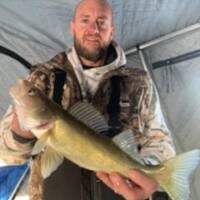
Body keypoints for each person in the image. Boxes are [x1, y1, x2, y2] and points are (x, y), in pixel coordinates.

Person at [0, 0, 176, 199]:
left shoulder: (141, 83)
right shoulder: (41, 77)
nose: (93, 29)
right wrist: (19, 134)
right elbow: (6, 156)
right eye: (85, 20)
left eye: (102, 22)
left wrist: (149, 178)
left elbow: (161, 146)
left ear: (112, 30)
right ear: (73, 27)